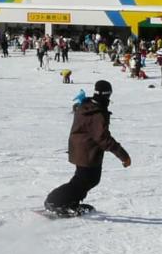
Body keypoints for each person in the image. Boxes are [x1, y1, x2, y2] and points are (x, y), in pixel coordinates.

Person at [44, 80, 131, 216]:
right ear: (108, 95)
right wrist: (123, 156)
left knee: (85, 179)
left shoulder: (87, 105)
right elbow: (103, 138)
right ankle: (55, 201)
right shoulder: (97, 113)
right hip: (87, 151)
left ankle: (69, 201)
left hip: (81, 149)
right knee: (86, 180)